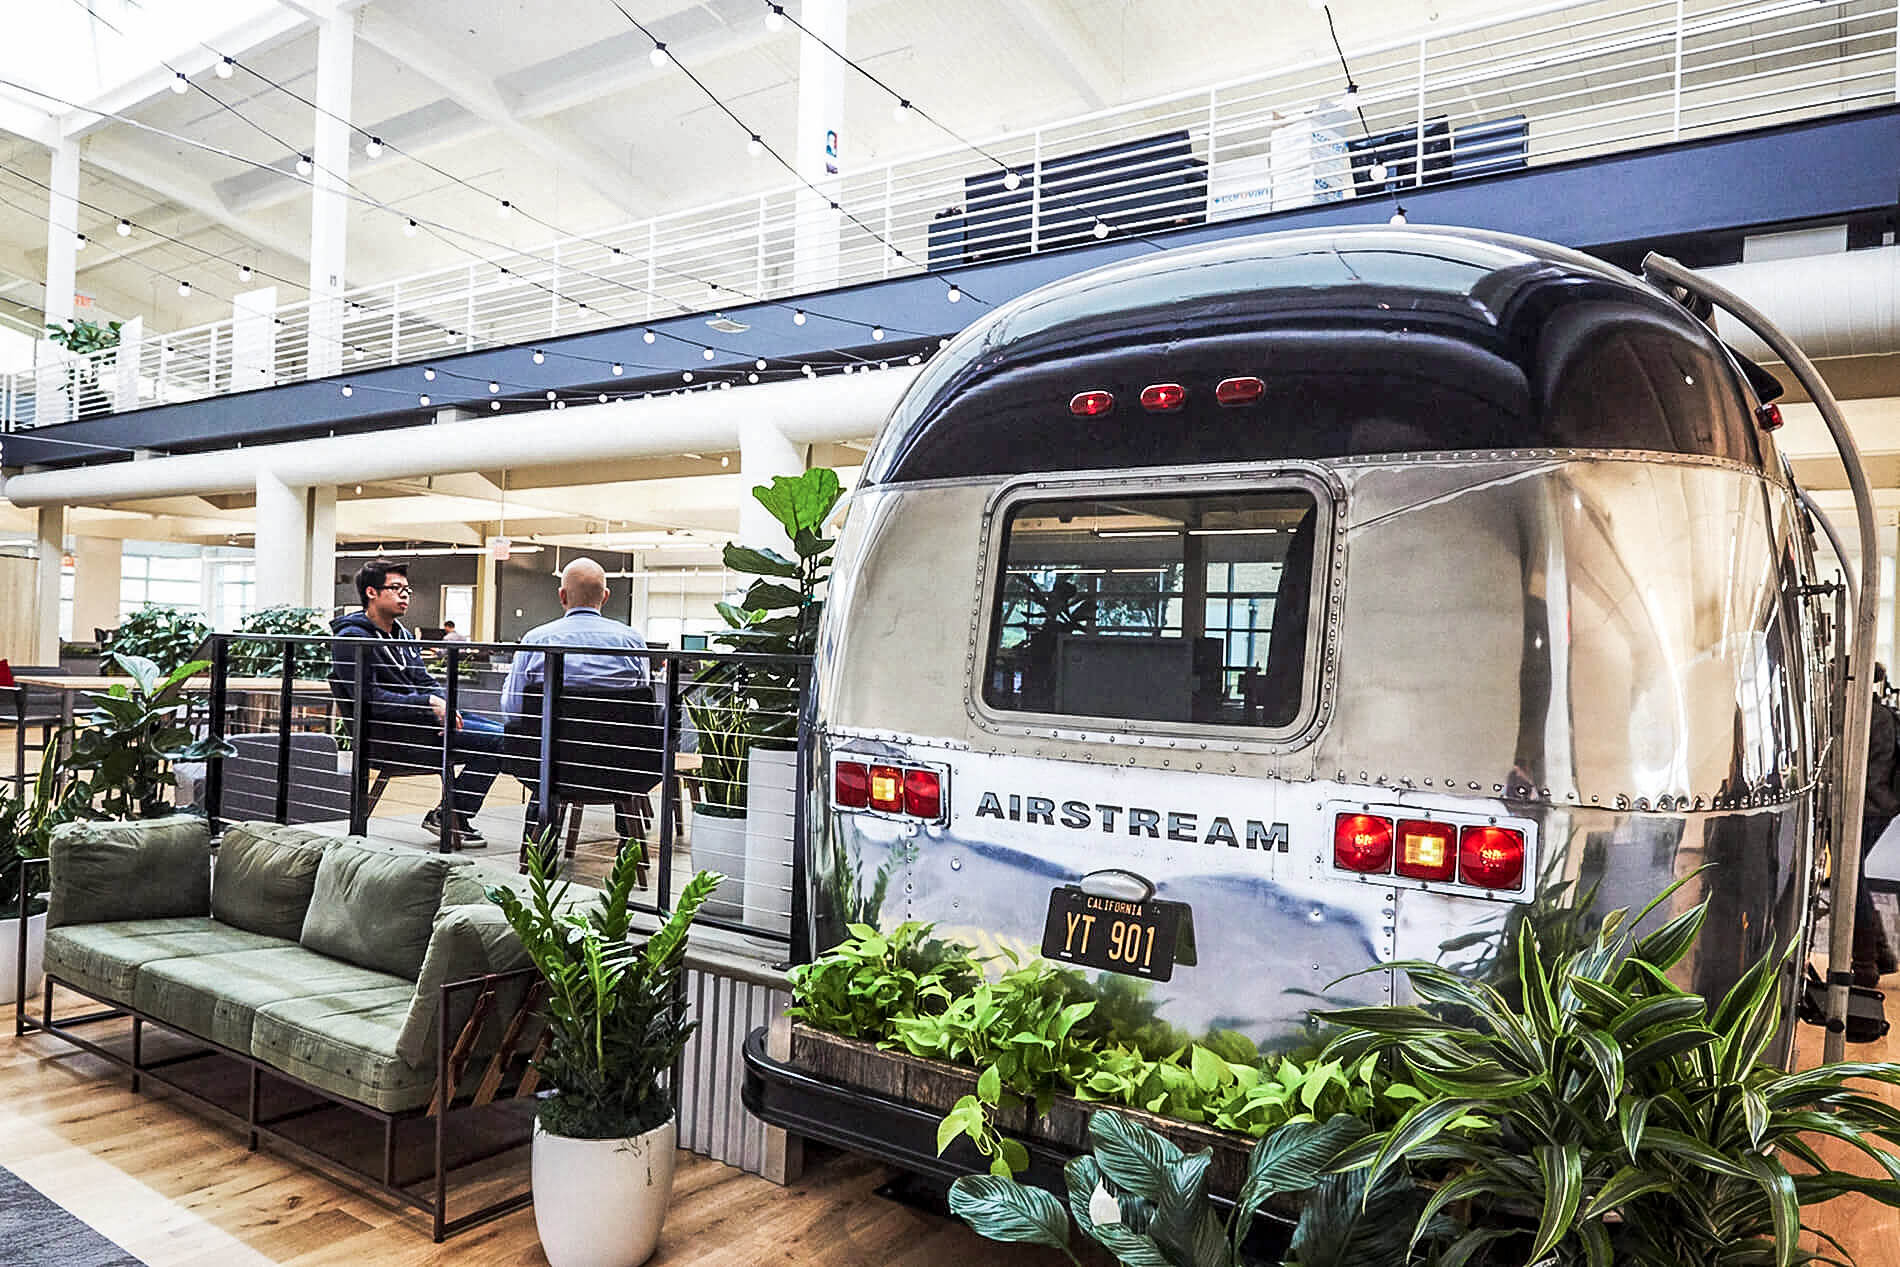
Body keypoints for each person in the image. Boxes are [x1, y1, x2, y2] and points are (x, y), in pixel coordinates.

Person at [330, 558, 504, 847]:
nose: (404, 595)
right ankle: (452, 815)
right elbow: (371, 700)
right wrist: (427, 704)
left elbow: (426, 682)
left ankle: (449, 814)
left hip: (421, 726)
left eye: (407, 589)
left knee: (504, 736)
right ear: (371, 593)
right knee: (499, 740)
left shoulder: (403, 635)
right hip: (390, 736)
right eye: (396, 588)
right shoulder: (352, 638)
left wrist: (443, 707)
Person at [502, 558, 660, 834]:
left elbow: (512, 708)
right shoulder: (632, 641)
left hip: (550, 767)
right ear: (605, 596)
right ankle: (629, 846)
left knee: (545, 770)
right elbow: (642, 706)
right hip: (619, 766)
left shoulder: (537, 640)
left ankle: (539, 854)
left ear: (562, 595)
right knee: (627, 762)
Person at [1856, 663, 1900, 985]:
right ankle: (1881, 954)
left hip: (1863, 809)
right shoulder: (1883, 714)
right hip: (1882, 807)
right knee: (1860, 880)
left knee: (1854, 883)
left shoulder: (1860, 716)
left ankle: (1865, 963)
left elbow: (1864, 775)